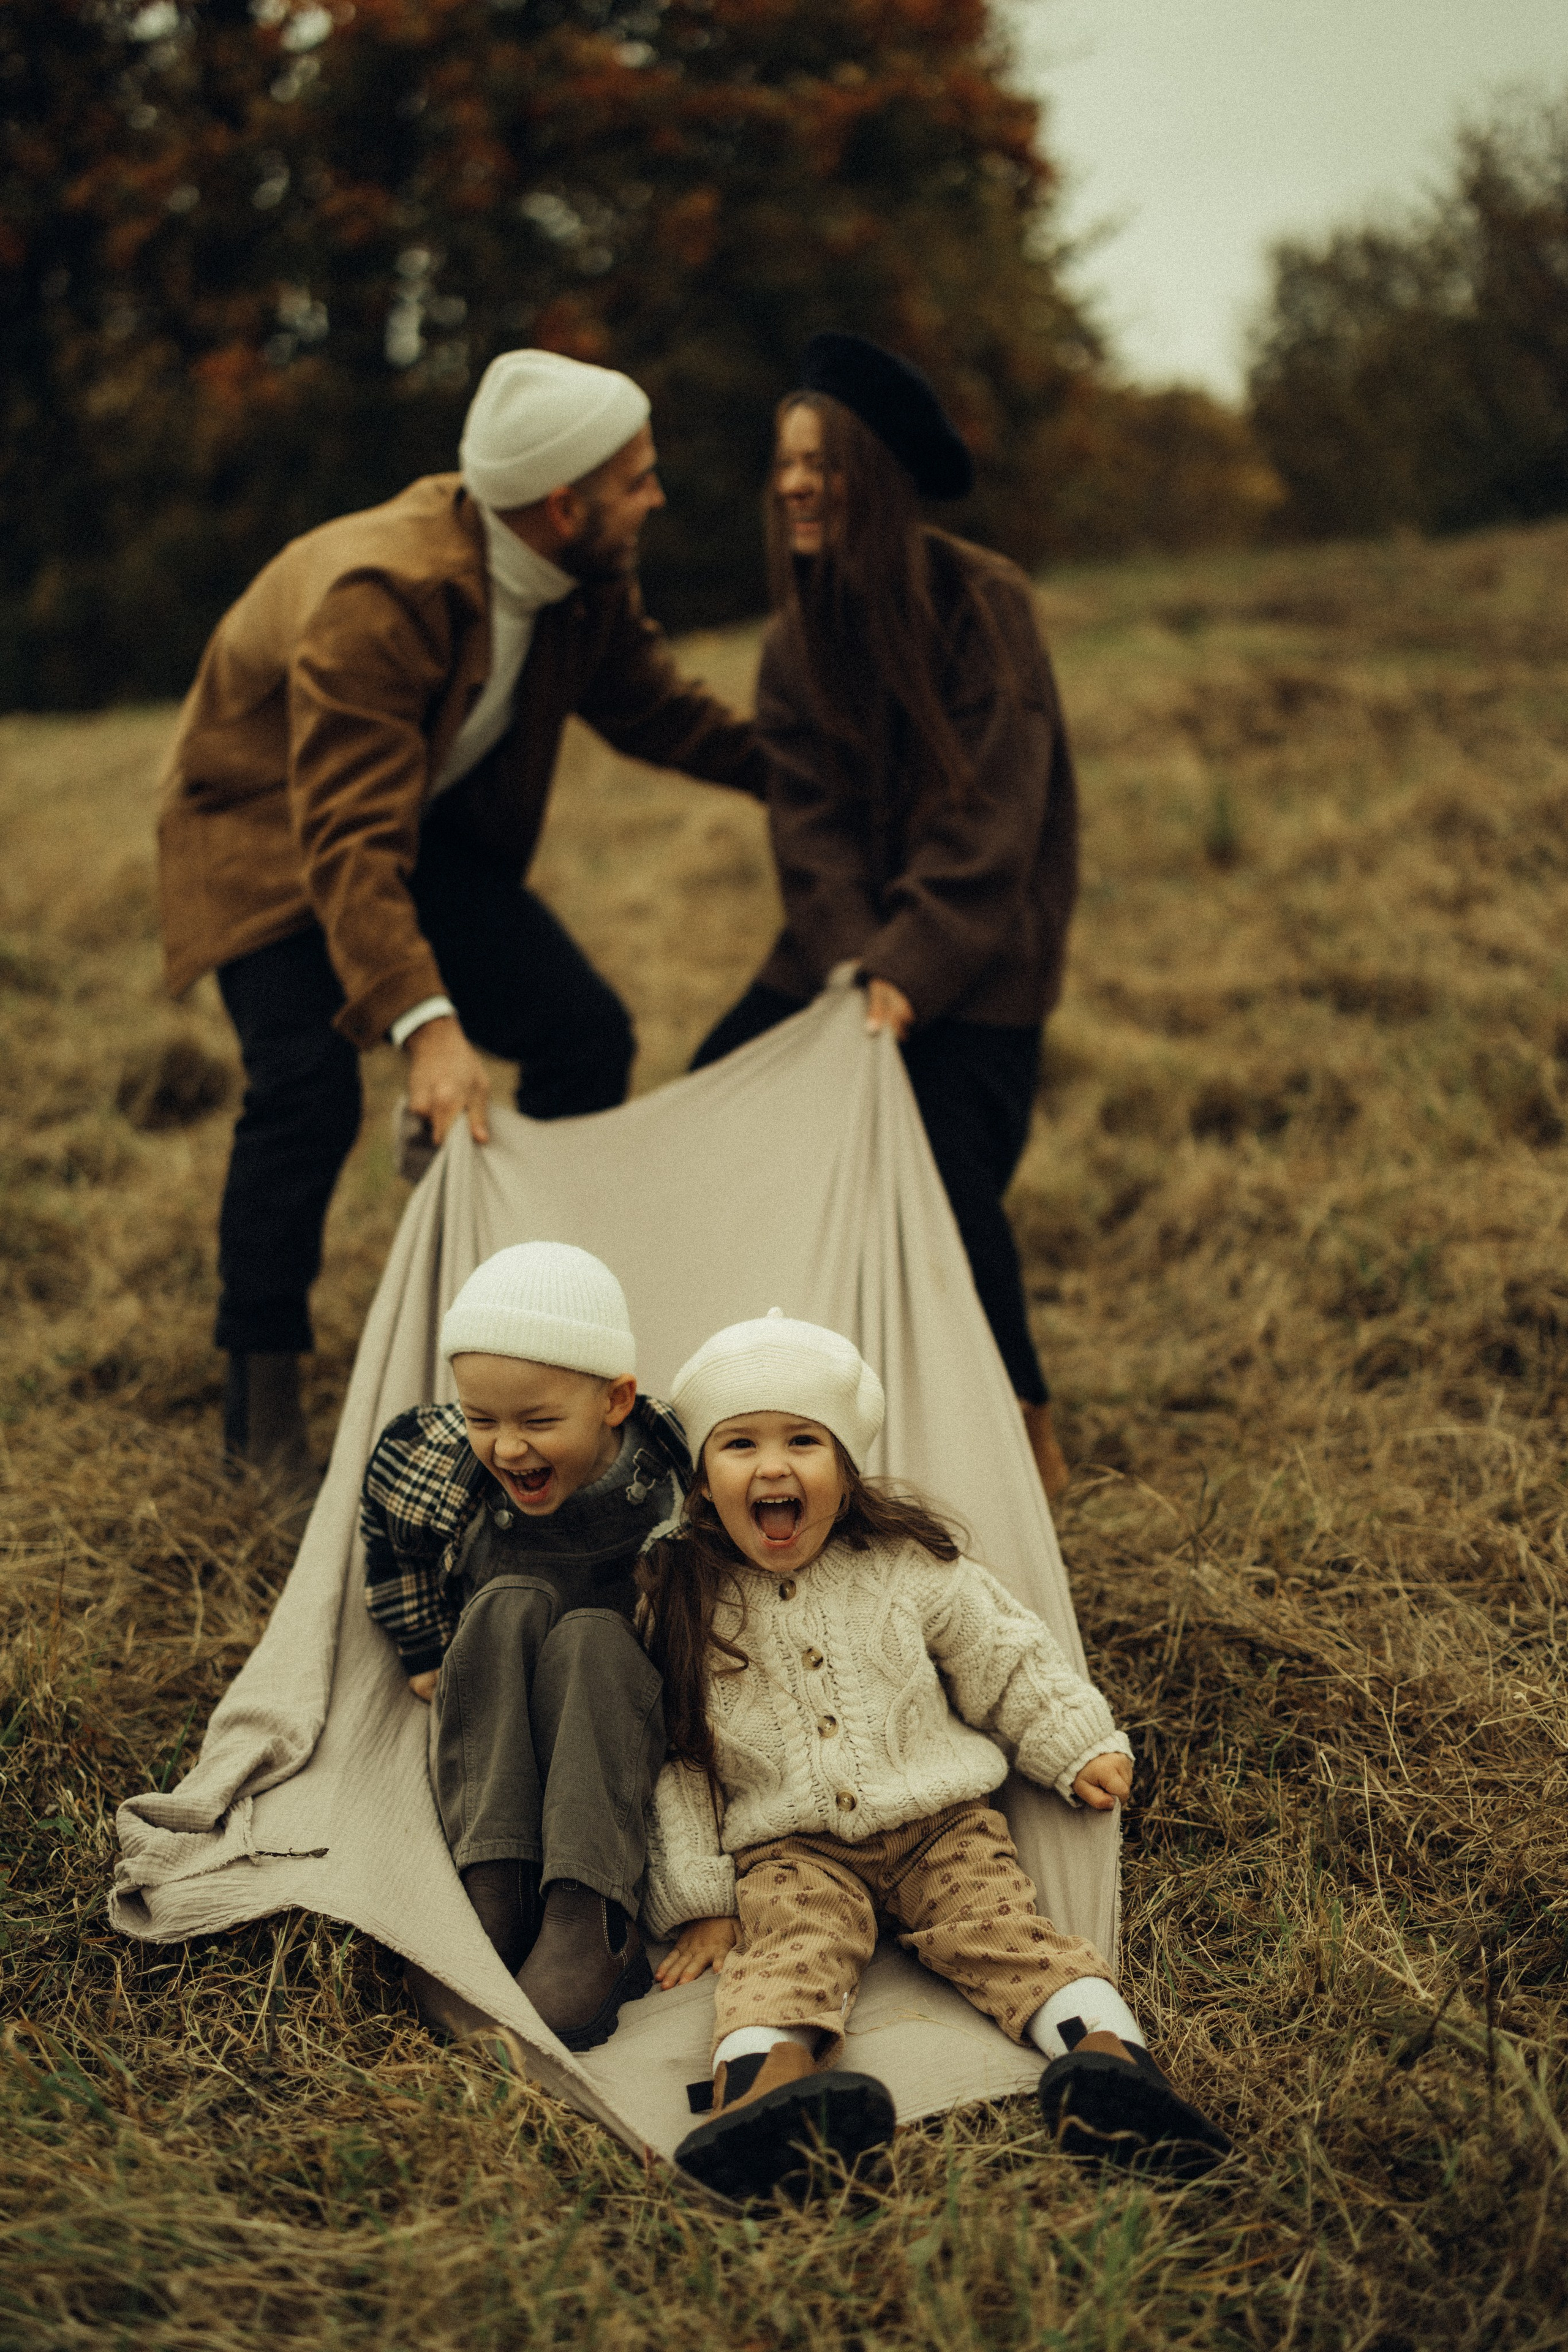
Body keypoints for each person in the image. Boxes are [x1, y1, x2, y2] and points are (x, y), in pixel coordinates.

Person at [158, 350, 767, 1503]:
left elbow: (649, 703)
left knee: (585, 1032)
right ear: (565, 503)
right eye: (640, 480)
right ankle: (261, 1416)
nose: (660, 496)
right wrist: (424, 1027)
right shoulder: (381, 596)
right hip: (264, 836)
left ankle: (527, 1336)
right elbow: (342, 839)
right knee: (303, 1088)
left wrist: (797, 779)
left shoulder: (584, 575)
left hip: (411, 829)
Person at [636, 1310, 1231, 2203]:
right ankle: (762, 2110)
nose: (772, 1466)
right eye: (738, 1444)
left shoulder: (907, 1566)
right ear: (702, 1475)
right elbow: (678, 1763)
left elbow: (1005, 1656)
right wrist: (702, 1899)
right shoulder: (684, 1596)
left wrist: (1071, 1743)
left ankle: (1112, 2073)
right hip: (789, 1848)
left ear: (844, 1467)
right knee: (786, 1959)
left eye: (804, 1439)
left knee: (1004, 1932)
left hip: (938, 1824)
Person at [690, 334, 1078, 1501]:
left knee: (945, 1190)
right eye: (786, 463)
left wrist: (908, 973)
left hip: (982, 966)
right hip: (843, 959)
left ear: (876, 472)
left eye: (823, 462)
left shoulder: (982, 606)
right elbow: (808, 832)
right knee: (715, 1100)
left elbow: (993, 819)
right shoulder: (790, 643)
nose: (796, 483)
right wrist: (858, 969)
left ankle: (1024, 1427)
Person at [360, 1242, 688, 2049]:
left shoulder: (671, 1472)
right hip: (502, 1681)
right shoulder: (433, 1464)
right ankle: (495, 1884)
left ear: (615, 1400)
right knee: (503, 1606)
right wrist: (424, 1649)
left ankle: (588, 1913)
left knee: (594, 1639)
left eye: (539, 1422)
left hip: (611, 1695)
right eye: (482, 1419)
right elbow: (393, 1540)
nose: (507, 1447)